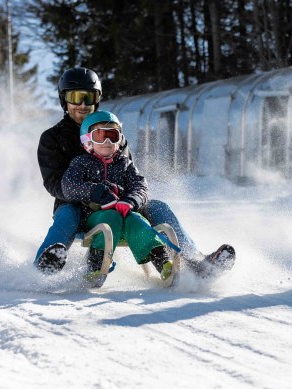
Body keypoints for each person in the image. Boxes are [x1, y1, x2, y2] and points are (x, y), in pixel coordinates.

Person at [34, 67, 235, 277]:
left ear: (97, 99)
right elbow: (54, 183)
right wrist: (90, 193)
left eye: (89, 97)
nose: (83, 104)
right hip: (76, 206)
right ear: (64, 99)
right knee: (67, 214)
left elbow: (129, 174)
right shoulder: (52, 138)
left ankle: (194, 262)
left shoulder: (113, 135)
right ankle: (48, 263)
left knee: (158, 206)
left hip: (117, 205)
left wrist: (130, 199)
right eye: (76, 97)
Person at [62, 111, 172, 284]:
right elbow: (69, 186)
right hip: (94, 215)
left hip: (125, 213)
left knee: (138, 220)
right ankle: (95, 265)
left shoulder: (125, 164)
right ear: (88, 140)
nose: (107, 142)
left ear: (119, 140)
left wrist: (130, 201)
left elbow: (140, 186)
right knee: (110, 218)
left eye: (112, 136)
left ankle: (163, 262)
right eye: (100, 136)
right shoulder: (81, 163)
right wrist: (97, 192)